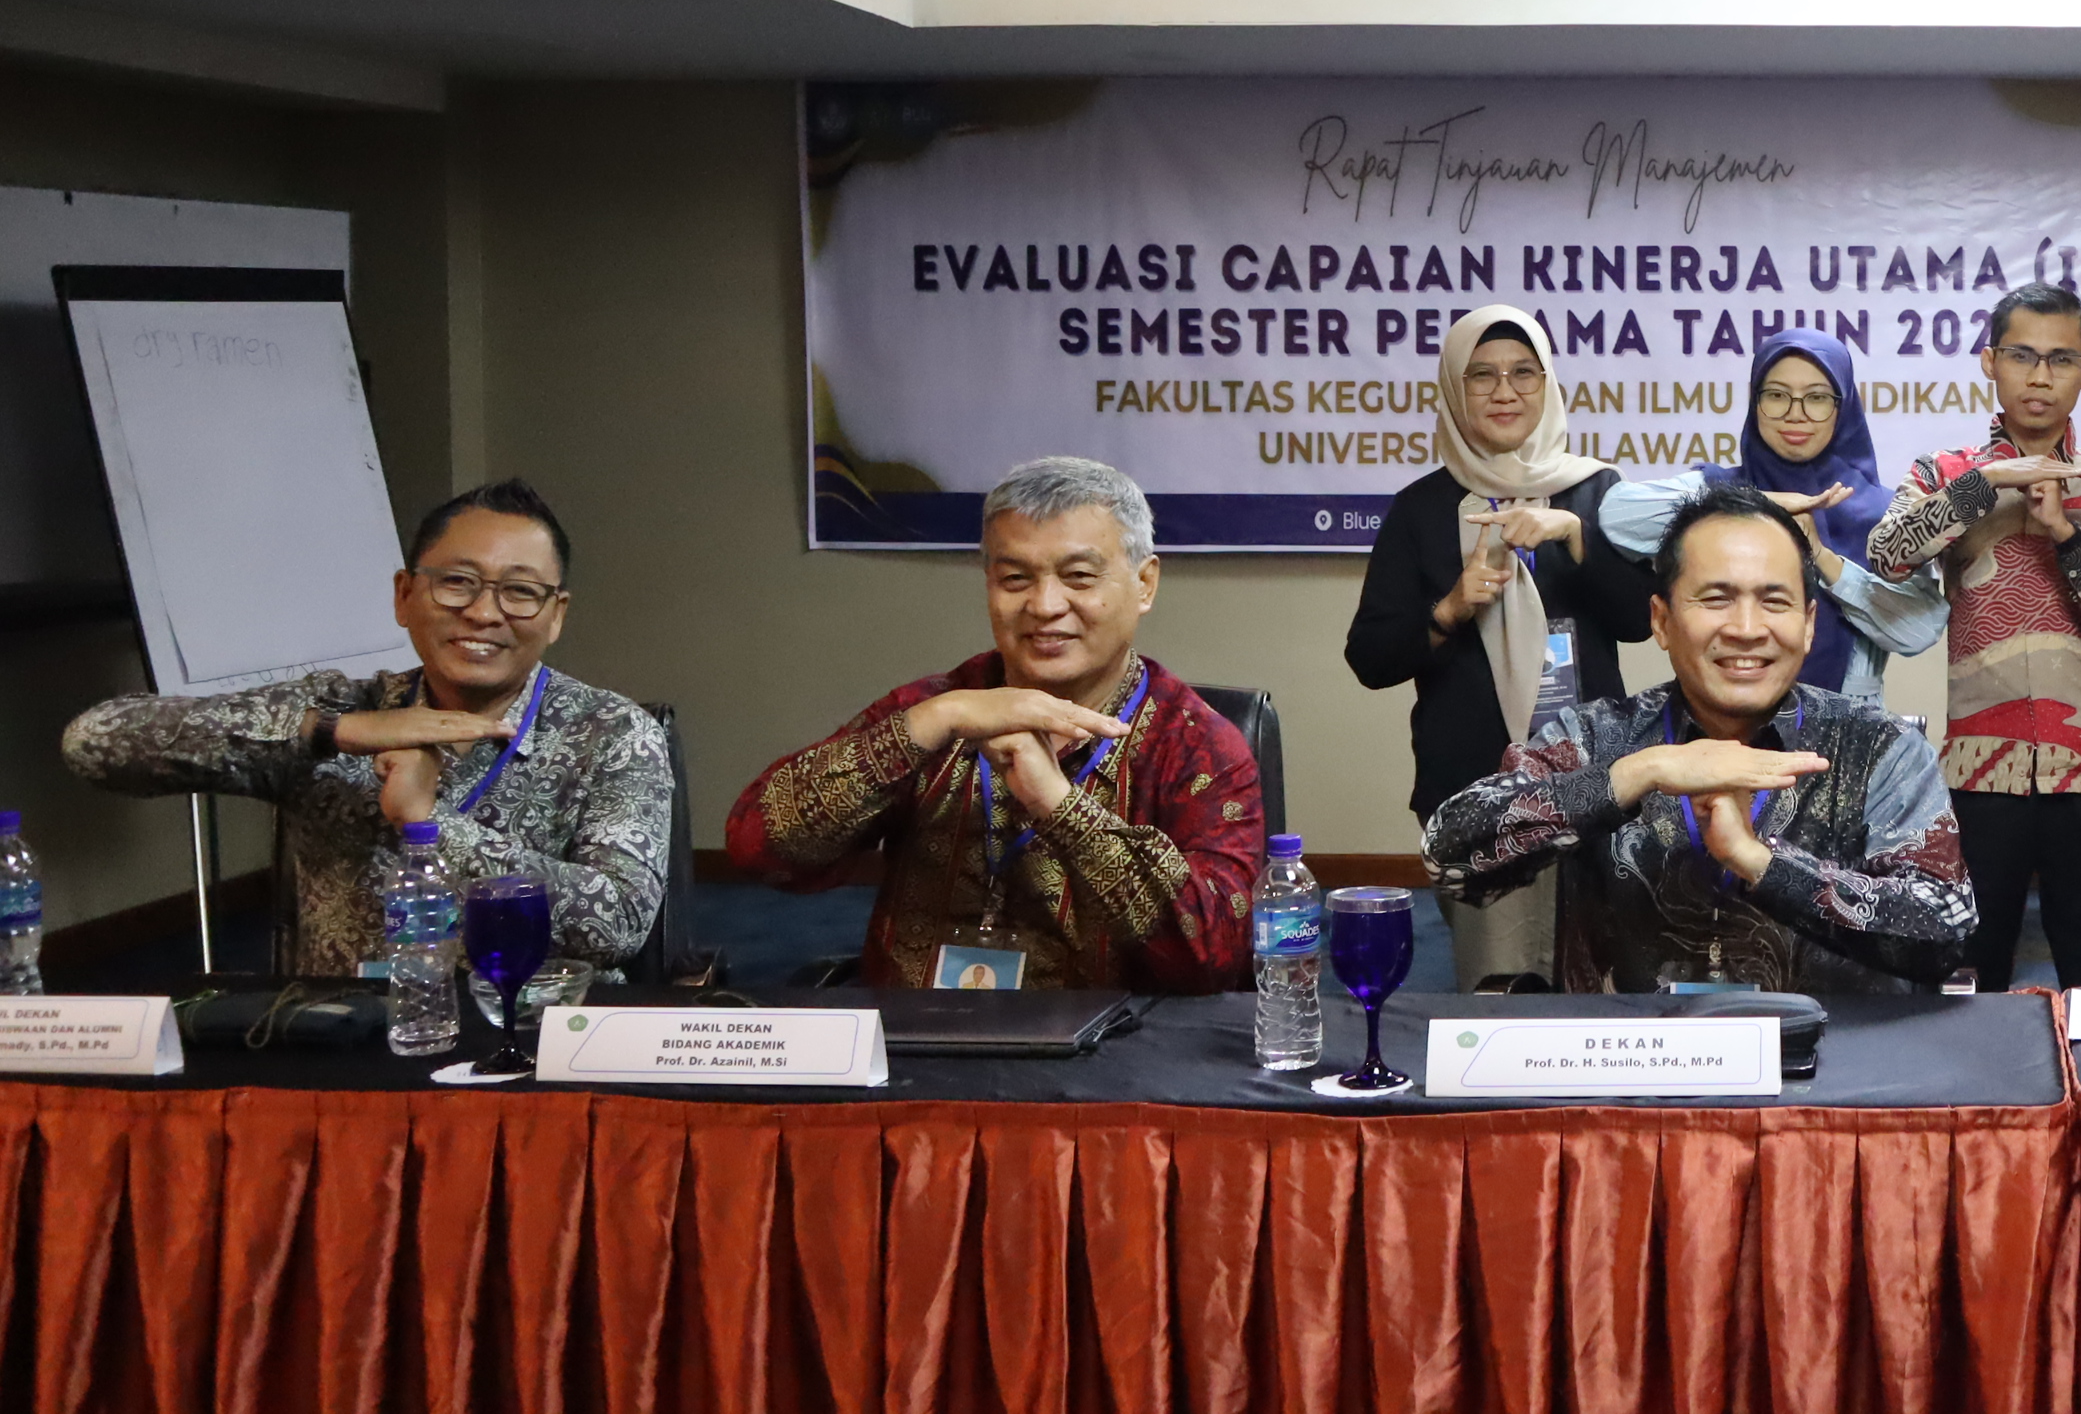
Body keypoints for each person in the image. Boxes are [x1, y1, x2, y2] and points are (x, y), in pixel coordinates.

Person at [62, 478, 671, 980]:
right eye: (456, 582)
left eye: (519, 592)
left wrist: (429, 824)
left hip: (526, 1041)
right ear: (405, 595)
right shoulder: (342, 707)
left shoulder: (611, 732)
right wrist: (330, 732)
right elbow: (95, 742)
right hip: (345, 1039)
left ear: (555, 614)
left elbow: (617, 924)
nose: (484, 612)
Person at [728, 455, 1262, 989]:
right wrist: (936, 720)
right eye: (1015, 578)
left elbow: (1216, 958)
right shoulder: (936, 708)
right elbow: (759, 849)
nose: (1045, 605)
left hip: (1112, 1038)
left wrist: (1059, 805)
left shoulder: (1198, 745)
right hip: (916, 1030)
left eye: (1078, 577)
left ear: (1144, 584)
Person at [1426, 483, 1977, 991]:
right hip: (1634, 1058)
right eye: (1715, 599)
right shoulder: (1594, 736)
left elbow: (1945, 929)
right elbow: (1448, 858)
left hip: (1824, 1059)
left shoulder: (1878, 747)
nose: (1746, 629)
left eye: (1774, 601)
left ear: (1809, 623)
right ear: (1661, 621)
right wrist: (1636, 773)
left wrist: (1760, 862)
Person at [1342, 305, 1660, 986]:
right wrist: (1450, 609)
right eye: (1482, 376)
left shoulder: (1596, 490)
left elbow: (1641, 619)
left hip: (1594, 779)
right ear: (1455, 391)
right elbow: (1370, 657)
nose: (1505, 391)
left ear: (1548, 385)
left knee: (1603, 987)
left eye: (1523, 373)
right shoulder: (1422, 508)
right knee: (1501, 993)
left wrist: (1578, 536)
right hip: (1477, 789)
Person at [1863, 281, 2081, 988]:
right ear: (1990, 362)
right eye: (2022, 355)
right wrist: (1986, 483)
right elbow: (1887, 552)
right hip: (1977, 771)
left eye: (2061, 359)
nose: (2040, 376)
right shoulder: (1945, 474)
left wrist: (2064, 532)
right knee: (1970, 976)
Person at [1596, 327, 1947, 704]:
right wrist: (1754, 503)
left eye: (1817, 398)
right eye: (1777, 395)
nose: (1795, 414)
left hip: (1850, 722)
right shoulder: (1719, 488)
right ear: (1755, 400)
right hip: (1723, 714)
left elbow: (1918, 632)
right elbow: (1615, 515)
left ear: (1843, 406)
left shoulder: (1887, 512)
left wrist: (1825, 559)